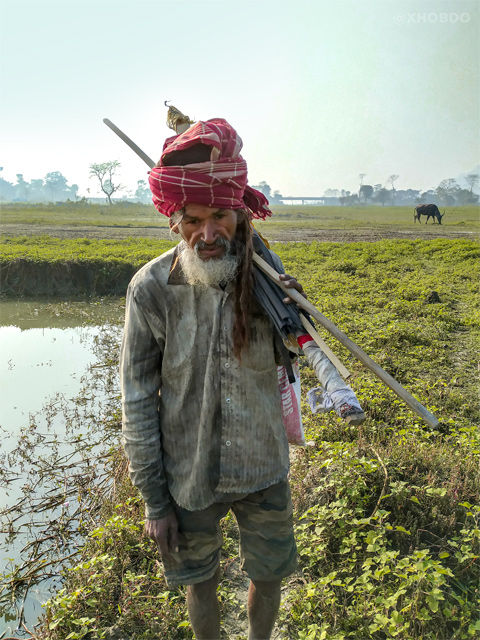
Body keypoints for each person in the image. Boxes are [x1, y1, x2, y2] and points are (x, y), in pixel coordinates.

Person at [119, 117, 363, 639]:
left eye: (222, 217)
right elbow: (138, 401)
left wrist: (297, 315)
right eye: (194, 220)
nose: (208, 234)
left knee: (269, 576)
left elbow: (300, 350)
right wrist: (155, 501)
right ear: (175, 221)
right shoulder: (151, 290)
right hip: (188, 475)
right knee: (199, 582)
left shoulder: (267, 280)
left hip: (263, 467)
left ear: (241, 216)